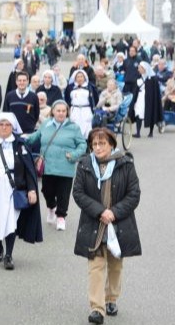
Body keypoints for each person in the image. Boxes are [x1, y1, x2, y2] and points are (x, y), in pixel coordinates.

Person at [72, 128, 141, 325]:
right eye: (94, 144)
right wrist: (100, 211)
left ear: (111, 144)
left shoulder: (126, 164)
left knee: (116, 264)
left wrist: (114, 212)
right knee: (96, 265)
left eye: (102, 144)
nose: (98, 147)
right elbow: (78, 193)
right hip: (94, 222)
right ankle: (97, 308)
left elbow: (134, 194)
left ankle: (111, 298)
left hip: (119, 222)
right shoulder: (85, 164)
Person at [0, 113, 43, 270]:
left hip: (11, 186)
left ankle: (9, 254)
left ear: (13, 127)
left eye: (7, 125)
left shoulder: (20, 144)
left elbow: (29, 169)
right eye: (1, 124)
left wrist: (31, 189)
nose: (4, 128)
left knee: (9, 221)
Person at [25, 100, 87, 231]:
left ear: (67, 112)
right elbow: (34, 137)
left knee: (63, 193)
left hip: (66, 165)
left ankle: (61, 217)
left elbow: (83, 144)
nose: (61, 113)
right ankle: (51, 206)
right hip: (48, 165)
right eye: (58, 111)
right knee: (47, 191)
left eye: (64, 111)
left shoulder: (74, 127)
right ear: (53, 111)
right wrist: (22, 139)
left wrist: (74, 154)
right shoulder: (46, 124)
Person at [131, 61, 164, 137]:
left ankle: (151, 132)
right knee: (138, 112)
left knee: (150, 113)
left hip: (149, 99)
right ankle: (138, 132)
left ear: (144, 69)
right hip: (140, 97)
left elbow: (155, 92)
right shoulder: (139, 76)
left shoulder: (153, 78)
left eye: (140, 68)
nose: (138, 69)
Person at [65, 70, 100, 138]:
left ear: (84, 77)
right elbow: (67, 99)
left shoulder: (90, 86)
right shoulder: (70, 87)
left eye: (81, 76)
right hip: (75, 110)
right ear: (75, 78)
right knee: (75, 126)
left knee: (87, 128)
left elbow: (96, 98)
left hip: (86, 110)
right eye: (78, 77)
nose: (80, 78)